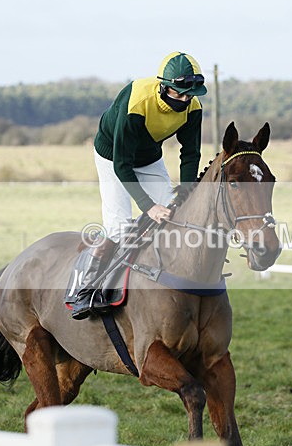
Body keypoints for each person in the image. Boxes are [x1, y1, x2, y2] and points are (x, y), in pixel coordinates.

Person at [70, 51, 207, 319]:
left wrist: (187, 191)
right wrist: (148, 207)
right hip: (113, 156)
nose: (184, 100)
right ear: (163, 86)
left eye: (189, 94)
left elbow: (190, 154)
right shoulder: (137, 101)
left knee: (173, 216)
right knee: (120, 227)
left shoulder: (193, 108)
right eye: (179, 93)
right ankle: (86, 289)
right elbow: (122, 164)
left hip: (148, 157)